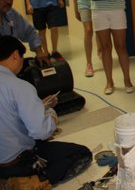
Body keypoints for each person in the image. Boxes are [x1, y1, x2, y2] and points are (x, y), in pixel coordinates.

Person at [0, 35, 92, 188]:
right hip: (14, 163)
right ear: (15, 55)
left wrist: (37, 106)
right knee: (81, 153)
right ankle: (33, 181)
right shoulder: (19, 87)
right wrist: (50, 114)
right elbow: (41, 132)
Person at [75, 0, 134, 95]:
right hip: (98, 11)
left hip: (117, 10)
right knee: (106, 47)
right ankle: (109, 81)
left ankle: (127, 79)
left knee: (121, 47)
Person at [0, 0, 49, 66]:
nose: (9, 1)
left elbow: (30, 32)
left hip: (12, 67)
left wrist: (39, 51)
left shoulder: (12, 14)